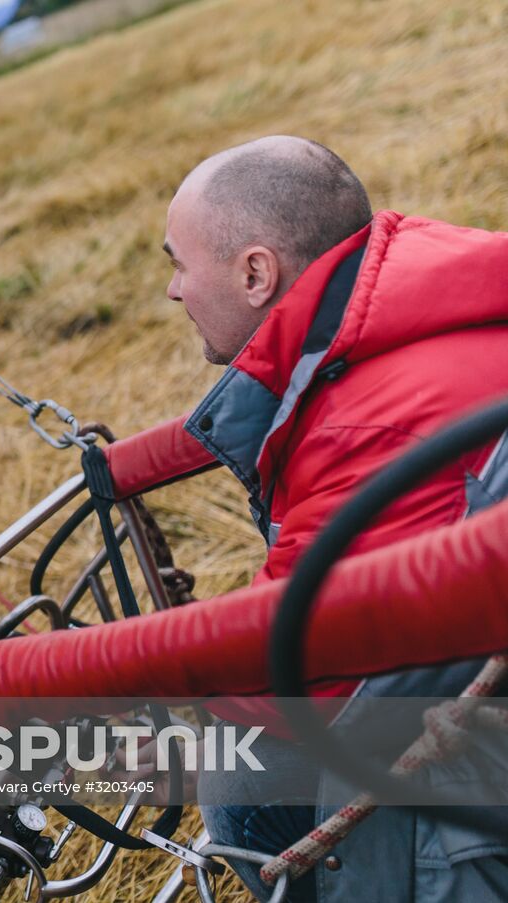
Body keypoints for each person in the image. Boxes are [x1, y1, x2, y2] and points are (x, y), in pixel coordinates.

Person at [149, 135, 508, 902]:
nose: (174, 291)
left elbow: (287, 679)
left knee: (238, 771)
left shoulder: (359, 427)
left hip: (475, 753)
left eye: (178, 262)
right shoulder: (421, 291)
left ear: (255, 273)